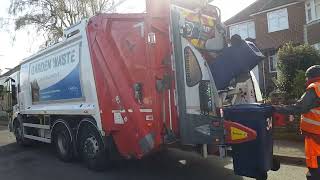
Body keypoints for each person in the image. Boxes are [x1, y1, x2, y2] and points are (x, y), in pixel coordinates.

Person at [274, 65, 320, 180]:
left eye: (306, 77)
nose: (306, 80)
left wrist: (277, 108)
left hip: (315, 135)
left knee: (315, 165)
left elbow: (300, 107)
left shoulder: (315, 87)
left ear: (311, 77)